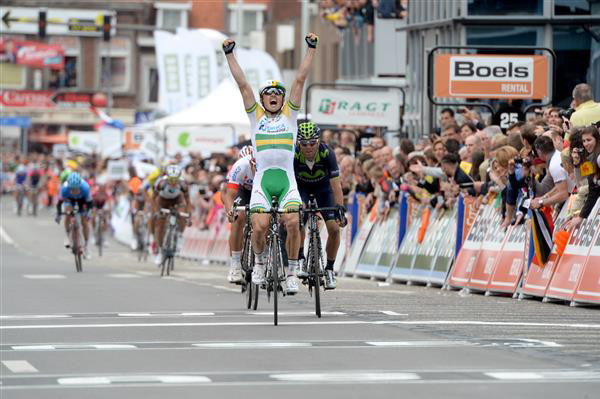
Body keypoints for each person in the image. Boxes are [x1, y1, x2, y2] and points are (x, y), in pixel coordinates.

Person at [223, 32, 318, 294]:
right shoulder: (256, 117)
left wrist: (310, 48)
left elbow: (300, 79)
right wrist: (230, 54)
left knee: (292, 222)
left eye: (278, 93)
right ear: (263, 99)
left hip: (286, 180)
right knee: (260, 226)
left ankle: (290, 273)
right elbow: (243, 85)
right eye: (269, 93)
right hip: (263, 182)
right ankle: (261, 265)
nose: (274, 95)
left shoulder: (290, 114)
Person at [293, 121, 346, 290]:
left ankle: (329, 269)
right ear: (298, 143)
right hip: (300, 188)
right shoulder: (293, 154)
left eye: (312, 143)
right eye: (304, 144)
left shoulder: (327, 153)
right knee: (298, 217)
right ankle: (301, 259)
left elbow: (336, 185)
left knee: (334, 229)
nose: (308, 147)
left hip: (324, 190)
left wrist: (340, 208)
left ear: (318, 142)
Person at [223, 146, 256, 283]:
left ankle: (265, 259)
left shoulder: (266, 165)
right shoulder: (240, 166)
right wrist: (230, 212)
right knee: (238, 220)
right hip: (242, 192)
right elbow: (228, 195)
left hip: (259, 191)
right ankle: (235, 264)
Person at [153, 165, 192, 265]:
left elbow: (188, 201)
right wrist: (156, 212)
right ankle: (160, 250)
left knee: (182, 215)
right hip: (163, 201)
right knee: (160, 224)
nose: (174, 182)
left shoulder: (183, 184)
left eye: (176, 180)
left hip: (177, 200)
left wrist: (188, 214)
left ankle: (179, 235)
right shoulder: (161, 183)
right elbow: (154, 198)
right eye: (171, 180)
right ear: (167, 177)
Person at [564, 126, 600, 230]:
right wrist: (576, 164)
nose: (586, 144)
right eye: (584, 141)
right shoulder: (590, 158)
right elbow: (590, 188)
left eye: (589, 140)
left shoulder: (598, 158)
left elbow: (590, 189)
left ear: (597, 139)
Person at [529, 136, 573, 210]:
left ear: (539, 152)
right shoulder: (557, 155)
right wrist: (544, 197)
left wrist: (540, 203)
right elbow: (561, 185)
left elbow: (563, 194)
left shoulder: (554, 165)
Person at [56, 173, 93, 259]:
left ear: (79, 186)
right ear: (69, 186)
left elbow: (90, 204)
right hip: (69, 200)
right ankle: (68, 235)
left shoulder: (85, 188)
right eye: (72, 188)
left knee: (85, 222)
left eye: (76, 188)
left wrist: (89, 213)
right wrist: (58, 214)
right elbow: (59, 203)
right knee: (67, 213)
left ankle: (86, 246)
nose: (74, 190)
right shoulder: (65, 189)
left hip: (82, 200)